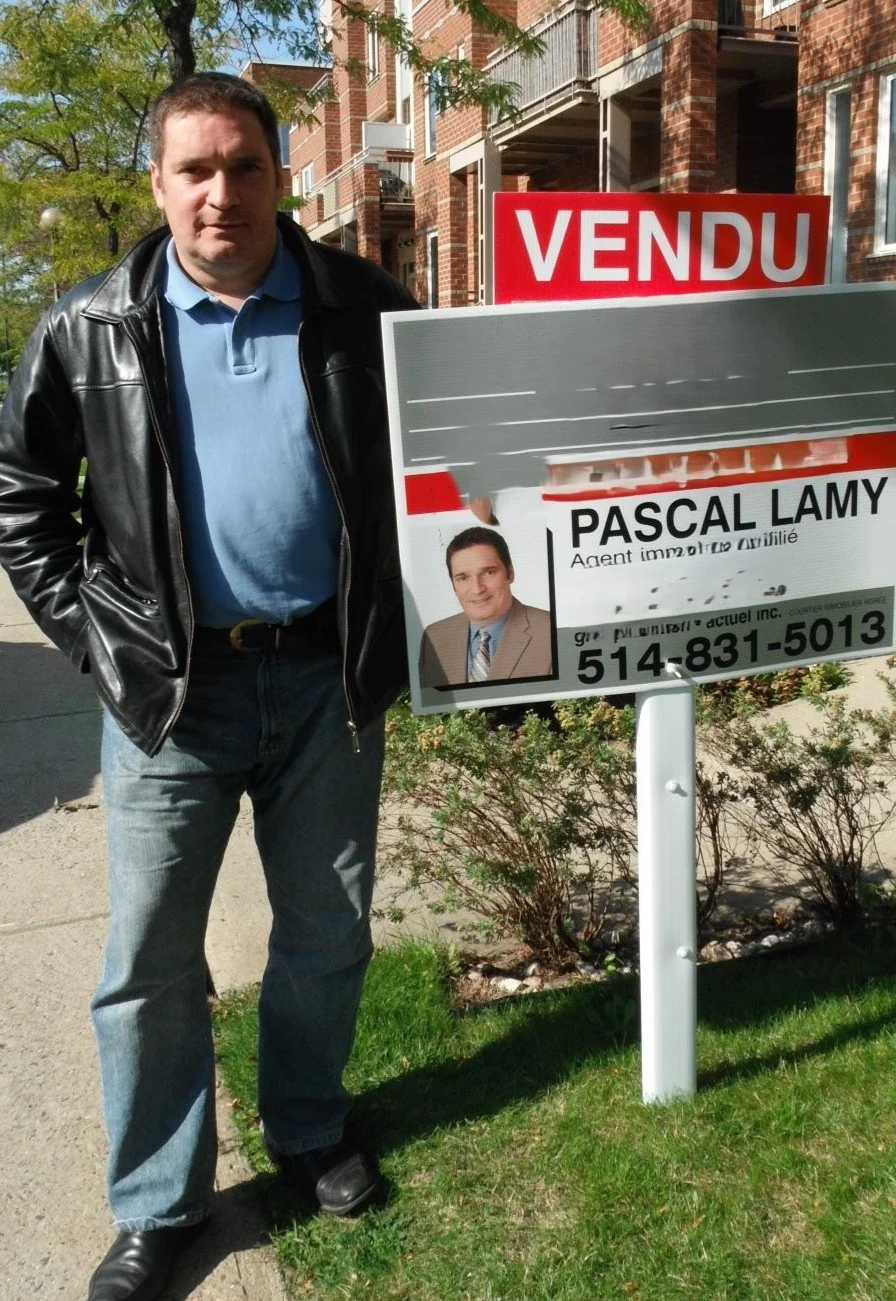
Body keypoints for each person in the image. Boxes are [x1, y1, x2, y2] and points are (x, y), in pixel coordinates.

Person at [0, 72, 415, 1301]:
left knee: (327, 931)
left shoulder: (367, 308)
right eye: (195, 168)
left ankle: (308, 1127)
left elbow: (443, 471)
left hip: (327, 681)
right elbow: (22, 497)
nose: (219, 191)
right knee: (150, 961)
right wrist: (100, 641)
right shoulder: (88, 327)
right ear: (159, 182)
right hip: (173, 698)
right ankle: (158, 1202)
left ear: (281, 175)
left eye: (243, 165)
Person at [418, 526, 553, 688]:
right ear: (453, 585)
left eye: (489, 572)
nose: (477, 589)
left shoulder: (551, 631)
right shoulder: (434, 637)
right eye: (463, 578)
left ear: (510, 573)